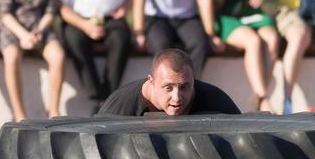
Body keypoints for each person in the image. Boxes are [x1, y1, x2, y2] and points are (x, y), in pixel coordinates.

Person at [0, 0, 66, 120]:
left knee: (58, 55)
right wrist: (23, 35)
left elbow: (50, 11)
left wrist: (37, 32)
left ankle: (53, 110)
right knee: (11, 57)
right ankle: (19, 114)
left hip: (40, 28)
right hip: (15, 29)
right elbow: (5, 14)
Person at [97, 48, 240, 116]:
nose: (177, 98)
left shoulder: (215, 99)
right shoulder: (120, 105)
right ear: (151, 82)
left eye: (184, 87)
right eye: (168, 88)